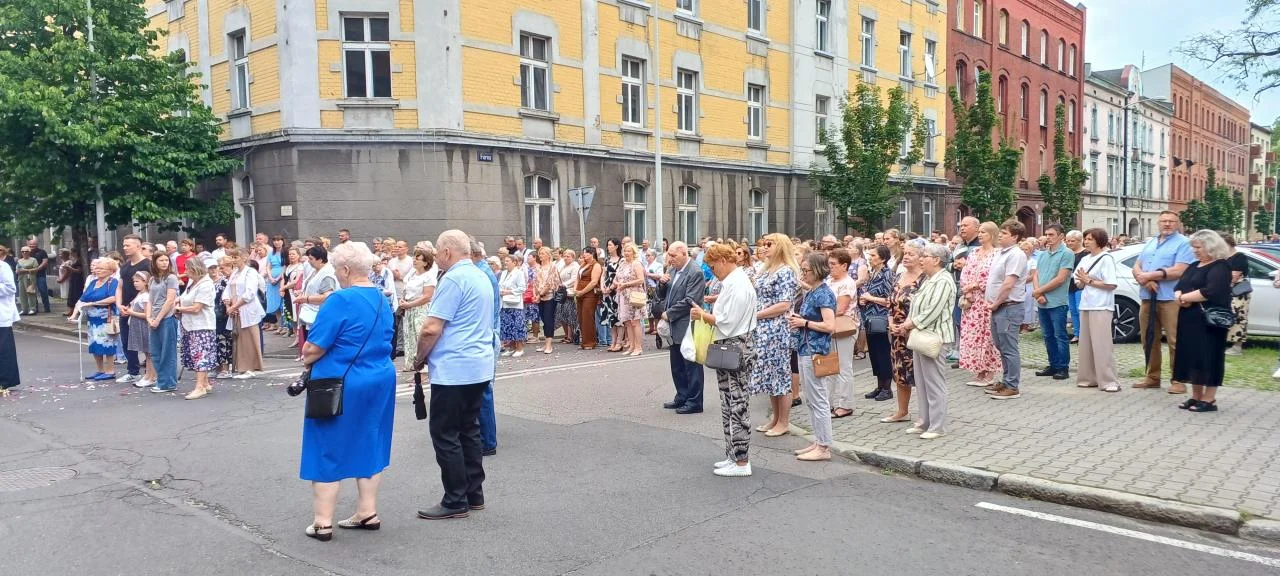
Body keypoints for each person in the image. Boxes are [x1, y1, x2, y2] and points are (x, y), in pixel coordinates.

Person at [299, 241, 396, 541]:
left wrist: (307, 356)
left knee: (327, 445)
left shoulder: (339, 300)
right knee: (370, 439)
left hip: (340, 381)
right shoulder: (381, 297)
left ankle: (322, 522)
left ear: (344, 269)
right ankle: (367, 511)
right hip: (379, 377)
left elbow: (314, 347)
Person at [412, 230, 495, 520]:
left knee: (445, 433)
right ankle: (474, 493)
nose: (436, 257)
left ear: (447, 252)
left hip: (454, 368)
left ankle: (455, 499)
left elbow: (431, 328)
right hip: (479, 365)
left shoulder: (453, 279)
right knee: (469, 429)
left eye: (437, 252)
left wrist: (419, 357)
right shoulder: (480, 275)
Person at [691, 243, 757, 476]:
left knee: (737, 404)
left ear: (723, 260)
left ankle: (741, 461)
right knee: (729, 401)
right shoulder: (734, 282)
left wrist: (702, 315)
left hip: (736, 345)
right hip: (732, 345)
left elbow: (727, 321)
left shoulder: (738, 284)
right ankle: (733, 455)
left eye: (712, 266)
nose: (712, 271)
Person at [896, 243, 957, 439]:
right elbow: (917, 305)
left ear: (936, 260)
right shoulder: (930, 279)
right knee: (922, 383)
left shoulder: (944, 280)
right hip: (921, 336)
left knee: (934, 383)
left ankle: (937, 426)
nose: (921, 259)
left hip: (935, 337)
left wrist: (909, 324)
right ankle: (924, 421)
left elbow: (933, 310)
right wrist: (908, 322)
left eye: (925, 256)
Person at [1132, 211, 1195, 394]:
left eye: (1171, 221)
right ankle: (1152, 377)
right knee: (1148, 339)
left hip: (1171, 298)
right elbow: (1137, 265)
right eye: (1164, 221)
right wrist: (1145, 279)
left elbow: (1180, 270)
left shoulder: (1184, 243)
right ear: (1158, 223)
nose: (1167, 224)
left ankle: (1178, 380)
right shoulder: (1151, 242)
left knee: (1175, 341)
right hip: (1148, 297)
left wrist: (1150, 276)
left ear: (1178, 223)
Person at [1172, 230, 1233, 412]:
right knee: (1193, 356)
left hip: (1209, 321)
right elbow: (1180, 285)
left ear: (1210, 247)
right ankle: (1196, 396)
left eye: (1198, 247)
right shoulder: (1194, 265)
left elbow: (1210, 291)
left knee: (1210, 356)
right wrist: (1179, 296)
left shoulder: (1220, 266)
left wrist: (1184, 298)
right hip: (1189, 318)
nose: (1194, 250)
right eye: (1193, 247)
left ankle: (1209, 398)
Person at [787, 252, 838, 461]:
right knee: (812, 399)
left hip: (815, 350)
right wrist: (800, 320)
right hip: (806, 348)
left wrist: (804, 322)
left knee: (818, 399)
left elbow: (830, 325)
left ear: (816, 270)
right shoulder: (813, 291)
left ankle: (824, 446)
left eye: (806, 270)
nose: (803, 274)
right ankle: (819, 440)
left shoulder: (823, 294)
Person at [749, 233, 799, 437]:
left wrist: (757, 314)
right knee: (770, 375)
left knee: (781, 375)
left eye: (770, 244)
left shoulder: (786, 271)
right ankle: (775, 418)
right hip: (763, 328)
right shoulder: (766, 269)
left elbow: (784, 304)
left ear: (780, 247)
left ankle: (784, 422)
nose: (765, 247)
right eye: (764, 243)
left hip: (777, 329)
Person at [985, 220, 1029, 400]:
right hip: (999, 307)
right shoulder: (1002, 253)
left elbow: (1009, 283)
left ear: (1015, 237)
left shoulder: (1016, 255)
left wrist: (996, 302)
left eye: (1004, 233)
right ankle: (1006, 380)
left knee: (1009, 347)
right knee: (1001, 345)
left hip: (1009, 307)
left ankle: (1012, 386)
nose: (1000, 235)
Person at [660, 242, 706, 414]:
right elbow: (663, 295)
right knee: (677, 365)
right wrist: (662, 284)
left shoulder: (695, 272)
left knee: (691, 364)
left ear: (684, 253)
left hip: (687, 322)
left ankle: (695, 401)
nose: (670, 259)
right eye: (669, 255)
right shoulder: (672, 270)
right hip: (674, 325)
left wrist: (669, 313)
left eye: (674, 256)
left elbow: (690, 300)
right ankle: (682, 396)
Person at [1074, 228, 1121, 392]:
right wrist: (1082, 281)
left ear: (1099, 241)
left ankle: (1109, 380)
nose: (1086, 242)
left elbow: (1111, 284)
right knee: (1085, 344)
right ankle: (1088, 378)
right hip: (1086, 304)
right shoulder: (1085, 259)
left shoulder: (1106, 259)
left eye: (1090, 239)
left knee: (1102, 344)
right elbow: (1078, 282)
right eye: (1085, 239)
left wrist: (1089, 281)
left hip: (1101, 305)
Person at [959, 222, 1002, 388]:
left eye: (984, 232)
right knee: (973, 335)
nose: (980, 234)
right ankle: (979, 370)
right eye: (980, 232)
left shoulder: (997, 254)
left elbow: (995, 276)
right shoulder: (974, 252)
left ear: (992, 234)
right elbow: (965, 273)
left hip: (987, 300)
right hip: (972, 302)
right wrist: (967, 290)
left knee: (988, 336)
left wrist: (976, 285)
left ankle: (990, 372)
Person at [1030, 224, 1074, 380]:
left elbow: (1061, 278)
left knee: (1059, 335)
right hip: (1042, 300)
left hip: (1057, 301)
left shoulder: (1066, 253)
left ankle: (1063, 367)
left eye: (1051, 234)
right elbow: (1036, 274)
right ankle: (1053, 364)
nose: (1048, 237)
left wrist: (1040, 291)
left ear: (1061, 236)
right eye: (1046, 234)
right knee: (1047, 335)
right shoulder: (1043, 254)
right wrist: (1038, 293)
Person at [886, 243, 924, 414]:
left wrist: (907, 326)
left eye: (911, 254)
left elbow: (924, 309)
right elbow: (890, 304)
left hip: (915, 331)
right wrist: (891, 323)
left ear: (921, 258)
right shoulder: (899, 276)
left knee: (920, 374)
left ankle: (925, 414)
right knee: (900, 372)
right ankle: (902, 412)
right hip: (896, 332)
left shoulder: (925, 279)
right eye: (905, 253)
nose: (906, 257)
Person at [176, 258, 218, 399]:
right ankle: (205, 383)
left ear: (194, 269)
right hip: (189, 324)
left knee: (200, 356)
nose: (185, 272)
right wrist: (178, 302)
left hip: (202, 325)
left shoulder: (206, 284)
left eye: (187, 269)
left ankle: (199, 387)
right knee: (194, 355)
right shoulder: (192, 282)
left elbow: (196, 308)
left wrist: (178, 309)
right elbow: (184, 297)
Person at [860, 245, 896, 404]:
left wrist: (870, 298)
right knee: (874, 354)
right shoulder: (873, 273)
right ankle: (879, 386)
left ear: (883, 258)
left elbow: (890, 299)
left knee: (882, 353)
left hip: (880, 319)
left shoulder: (887, 275)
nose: (870, 258)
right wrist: (864, 299)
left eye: (873, 255)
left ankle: (887, 388)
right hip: (869, 317)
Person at [825, 248, 858, 419]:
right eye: (829, 264)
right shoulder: (830, 280)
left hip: (843, 327)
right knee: (829, 366)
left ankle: (846, 404)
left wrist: (820, 313)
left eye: (833, 264)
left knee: (844, 367)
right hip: (830, 327)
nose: (830, 267)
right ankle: (827, 403)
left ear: (844, 265)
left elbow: (840, 308)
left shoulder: (847, 283)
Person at [115, 235, 151, 384]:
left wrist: (134, 304)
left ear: (138, 246)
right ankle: (133, 371)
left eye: (128, 245)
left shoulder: (147, 264)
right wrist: (119, 304)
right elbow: (120, 287)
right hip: (125, 308)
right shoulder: (125, 266)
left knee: (146, 343)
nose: (124, 248)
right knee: (126, 341)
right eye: (124, 245)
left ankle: (150, 373)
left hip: (141, 308)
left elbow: (150, 287)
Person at [223, 249, 265, 379]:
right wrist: (228, 305)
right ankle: (242, 367)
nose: (234, 260)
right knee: (239, 338)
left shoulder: (250, 272)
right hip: (236, 310)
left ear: (244, 258)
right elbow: (227, 290)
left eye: (236, 257)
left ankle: (250, 367)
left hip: (247, 309)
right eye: (232, 257)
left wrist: (234, 306)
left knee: (250, 338)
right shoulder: (235, 273)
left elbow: (250, 293)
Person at [78, 259, 120, 381]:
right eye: (97, 268)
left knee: (107, 343)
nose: (98, 270)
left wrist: (94, 303)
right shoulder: (93, 282)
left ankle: (110, 371)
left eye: (101, 268)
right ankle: (100, 369)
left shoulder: (113, 282)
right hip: (92, 319)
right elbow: (83, 298)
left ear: (110, 271)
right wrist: (75, 313)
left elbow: (113, 298)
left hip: (105, 318)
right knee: (94, 344)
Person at [146, 252, 181, 393]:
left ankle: (168, 383)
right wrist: (149, 317)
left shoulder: (171, 278)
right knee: (155, 352)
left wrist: (158, 318)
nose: (164, 263)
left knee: (167, 352)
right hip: (154, 317)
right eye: (161, 260)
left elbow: (170, 300)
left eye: (166, 260)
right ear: (154, 262)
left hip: (167, 318)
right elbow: (149, 300)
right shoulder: (152, 279)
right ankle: (161, 380)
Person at [298, 246, 338, 364]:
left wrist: (306, 299)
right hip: (310, 313)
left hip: (318, 314)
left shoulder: (327, 274)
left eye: (311, 259)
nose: (309, 262)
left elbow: (327, 296)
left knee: (315, 346)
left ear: (320, 259)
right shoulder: (316, 270)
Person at [400, 248, 438, 373]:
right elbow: (406, 289)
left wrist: (410, 304)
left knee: (419, 336)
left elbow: (427, 296)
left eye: (418, 259)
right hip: (409, 308)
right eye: (414, 257)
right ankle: (412, 365)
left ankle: (423, 366)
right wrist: (403, 301)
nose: (414, 260)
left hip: (421, 309)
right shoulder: (411, 274)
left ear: (425, 262)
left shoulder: (429, 276)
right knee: (410, 336)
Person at [122, 271, 156, 388]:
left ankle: (152, 376)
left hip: (143, 325)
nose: (135, 284)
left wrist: (131, 312)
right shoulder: (139, 294)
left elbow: (147, 314)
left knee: (149, 352)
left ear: (145, 282)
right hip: (137, 325)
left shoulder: (146, 296)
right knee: (146, 353)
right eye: (134, 281)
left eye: (137, 281)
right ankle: (147, 375)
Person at [614, 243, 648, 356]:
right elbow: (615, 278)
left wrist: (626, 284)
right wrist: (618, 283)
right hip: (623, 295)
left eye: (629, 251)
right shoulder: (622, 264)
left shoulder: (636, 264)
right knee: (627, 322)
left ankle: (638, 347)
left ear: (634, 253)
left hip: (635, 294)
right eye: (625, 251)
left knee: (635, 322)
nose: (626, 253)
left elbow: (640, 280)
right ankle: (631, 346)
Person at [1222, 234, 1250, 356]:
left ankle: (1237, 346)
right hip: (1227, 291)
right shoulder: (1223, 257)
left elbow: (1234, 276)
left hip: (1238, 292)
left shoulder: (1239, 257)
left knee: (1238, 317)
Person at [497, 254, 528, 358]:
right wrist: (501, 291)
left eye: (507, 261)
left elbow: (522, 288)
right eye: (505, 261)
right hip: (504, 303)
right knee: (507, 326)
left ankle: (519, 348)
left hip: (514, 304)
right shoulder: (504, 273)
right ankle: (511, 347)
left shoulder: (519, 273)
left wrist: (508, 292)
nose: (505, 263)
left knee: (516, 326)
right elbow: (500, 285)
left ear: (514, 262)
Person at [575, 248, 603, 349]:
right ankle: (584, 341)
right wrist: (575, 289)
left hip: (590, 294)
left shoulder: (596, 265)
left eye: (586, 253)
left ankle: (590, 342)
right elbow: (577, 278)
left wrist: (582, 291)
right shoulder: (583, 265)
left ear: (592, 254)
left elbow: (594, 281)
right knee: (581, 317)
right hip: (579, 294)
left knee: (588, 317)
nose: (584, 255)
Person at [532, 247, 558, 354]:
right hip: (540, 296)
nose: (541, 255)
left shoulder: (552, 267)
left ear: (548, 255)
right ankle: (545, 343)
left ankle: (549, 345)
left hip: (549, 296)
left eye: (543, 253)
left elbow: (550, 283)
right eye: (540, 253)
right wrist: (535, 295)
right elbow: (535, 282)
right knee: (543, 319)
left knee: (548, 319)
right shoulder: (539, 268)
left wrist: (540, 294)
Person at [0, 253, 19, 396]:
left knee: (3, 349)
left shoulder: (3, 267)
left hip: (2, 314)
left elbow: (11, 288)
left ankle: (4, 381)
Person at [599, 239, 623, 350]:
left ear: (616, 246)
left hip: (616, 290)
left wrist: (611, 287)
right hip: (607, 291)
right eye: (608, 245)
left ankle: (619, 342)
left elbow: (620, 276)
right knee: (611, 317)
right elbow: (603, 274)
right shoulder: (607, 260)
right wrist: (602, 286)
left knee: (619, 317)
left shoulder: (621, 260)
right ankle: (613, 341)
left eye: (610, 245)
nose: (608, 247)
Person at [1065, 230, 1086, 344]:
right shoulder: (1068, 253)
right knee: (1073, 310)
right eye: (1067, 241)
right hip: (1069, 285)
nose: (1069, 243)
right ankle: (1077, 334)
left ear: (1079, 241)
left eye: (1072, 241)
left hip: (1080, 285)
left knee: (1079, 309)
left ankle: (1084, 334)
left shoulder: (1085, 253)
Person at [555, 250, 579, 344]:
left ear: (573, 257)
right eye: (564, 256)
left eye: (568, 256)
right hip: (562, 292)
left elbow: (574, 279)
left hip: (570, 292)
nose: (566, 258)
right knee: (561, 314)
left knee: (570, 315)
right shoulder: (562, 266)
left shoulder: (575, 266)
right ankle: (566, 335)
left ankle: (570, 336)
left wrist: (564, 284)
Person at [25, 238, 51, 314]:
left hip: (40, 274)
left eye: (34, 245)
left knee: (43, 291)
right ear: (28, 245)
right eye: (31, 245)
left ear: (37, 245)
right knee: (32, 292)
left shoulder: (42, 252)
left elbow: (45, 262)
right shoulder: (26, 252)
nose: (32, 247)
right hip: (30, 275)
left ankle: (47, 307)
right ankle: (34, 308)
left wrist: (37, 269)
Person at [15, 247, 37, 315]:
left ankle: (32, 309)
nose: (24, 253)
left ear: (29, 252)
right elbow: (17, 270)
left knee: (30, 293)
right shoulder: (19, 260)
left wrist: (26, 270)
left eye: (26, 251)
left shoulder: (33, 260)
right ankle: (24, 309)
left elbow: (36, 269)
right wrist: (18, 271)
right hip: (21, 278)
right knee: (22, 294)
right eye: (23, 251)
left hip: (30, 277)